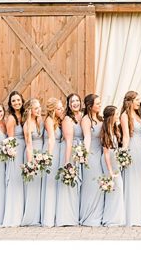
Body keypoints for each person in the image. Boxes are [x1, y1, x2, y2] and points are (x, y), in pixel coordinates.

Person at [55, 93, 84, 226]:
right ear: (68, 104)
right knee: (71, 185)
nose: (75, 103)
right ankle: (68, 217)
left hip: (82, 151)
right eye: (72, 101)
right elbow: (68, 141)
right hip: (71, 150)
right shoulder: (67, 119)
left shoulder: (83, 115)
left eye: (77, 100)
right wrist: (67, 162)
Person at [119, 91, 141, 226]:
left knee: (140, 181)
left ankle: (140, 215)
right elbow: (126, 136)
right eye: (137, 100)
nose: (139, 102)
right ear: (130, 101)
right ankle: (131, 216)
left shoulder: (138, 114)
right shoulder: (124, 116)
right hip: (133, 148)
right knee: (132, 180)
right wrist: (124, 153)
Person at [79, 93, 105, 226]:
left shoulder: (100, 119)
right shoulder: (86, 119)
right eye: (98, 103)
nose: (100, 105)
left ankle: (99, 215)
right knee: (92, 185)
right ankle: (89, 216)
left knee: (100, 184)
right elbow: (87, 137)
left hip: (101, 154)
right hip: (92, 155)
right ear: (90, 106)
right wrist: (86, 155)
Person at [1, 91, 26, 227]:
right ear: (10, 104)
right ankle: (13, 215)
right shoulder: (11, 118)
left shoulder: (23, 115)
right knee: (16, 181)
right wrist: (12, 154)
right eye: (14, 101)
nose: (17, 103)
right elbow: (10, 139)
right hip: (16, 150)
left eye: (18, 100)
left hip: (24, 149)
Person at [100, 105, 125, 227]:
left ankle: (117, 217)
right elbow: (105, 153)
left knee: (118, 188)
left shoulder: (115, 128)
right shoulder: (106, 130)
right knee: (113, 188)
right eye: (116, 114)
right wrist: (109, 171)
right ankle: (111, 218)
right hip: (108, 160)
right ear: (111, 116)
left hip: (115, 158)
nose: (118, 116)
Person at [21, 98, 44, 226]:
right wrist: (30, 164)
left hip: (41, 155)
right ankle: (31, 217)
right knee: (33, 186)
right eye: (36, 108)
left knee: (39, 186)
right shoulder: (28, 124)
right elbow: (29, 145)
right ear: (30, 111)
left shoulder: (38, 121)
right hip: (33, 154)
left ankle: (39, 214)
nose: (39, 109)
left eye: (39, 107)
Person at [39, 98, 62, 227]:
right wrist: (49, 156)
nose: (61, 110)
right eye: (58, 108)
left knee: (55, 183)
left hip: (57, 150)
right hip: (51, 150)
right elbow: (52, 139)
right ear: (52, 110)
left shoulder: (57, 120)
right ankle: (48, 217)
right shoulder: (48, 120)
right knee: (50, 183)